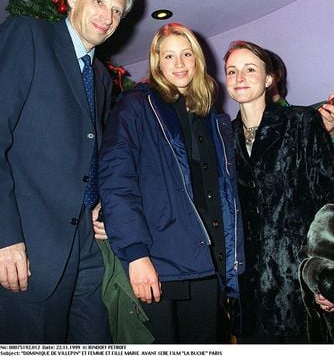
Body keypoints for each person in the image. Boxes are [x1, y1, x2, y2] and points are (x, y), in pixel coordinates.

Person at [0, 0, 136, 343]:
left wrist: (99, 200)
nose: (108, 16)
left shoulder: (101, 77)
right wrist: (0, 237)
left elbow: (90, 149)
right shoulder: (27, 36)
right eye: (100, 2)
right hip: (23, 249)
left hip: (84, 248)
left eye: (117, 10)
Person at [98, 23, 244, 344]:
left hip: (209, 265)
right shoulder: (136, 106)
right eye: (169, 56)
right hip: (157, 264)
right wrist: (136, 255)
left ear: (197, 59)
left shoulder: (215, 119)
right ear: (157, 62)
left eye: (186, 54)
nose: (179, 64)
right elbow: (116, 180)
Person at [223, 40, 334, 343]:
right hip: (248, 287)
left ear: (268, 79)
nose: (240, 78)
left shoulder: (302, 122)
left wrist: (328, 277)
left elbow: (332, 204)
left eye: (250, 69)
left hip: (299, 280)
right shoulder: (223, 137)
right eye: (232, 71)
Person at [266, 50, 334, 174]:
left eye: (252, 70)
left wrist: (331, 133)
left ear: (276, 75)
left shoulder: (306, 116)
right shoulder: (236, 128)